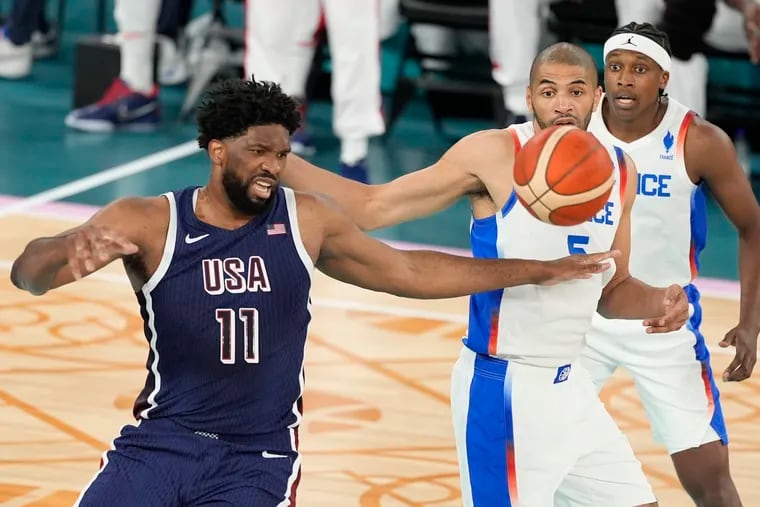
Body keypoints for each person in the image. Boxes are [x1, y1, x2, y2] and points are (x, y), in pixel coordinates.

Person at [10, 77, 619, 506]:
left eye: (281, 153)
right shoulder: (151, 221)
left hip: (258, 459)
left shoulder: (305, 220)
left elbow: (408, 273)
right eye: (258, 153)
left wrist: (532, 270)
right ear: (217, 148)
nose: (271, 166)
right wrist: (62, 253)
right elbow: (29, 275)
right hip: (159, 440)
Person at [277, 43, 692, 506]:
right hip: (505, 388)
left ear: (597, 97)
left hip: (572, 385)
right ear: (530, 97)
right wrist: (275, 154)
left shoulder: (619, 171)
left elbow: (611, 289)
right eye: (549, 91)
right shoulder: (492, 153)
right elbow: (372, 208)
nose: (562, 104)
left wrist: (661, 302)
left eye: (575, 92)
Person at [583, 22, 760, 507]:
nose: (624, 78)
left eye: (640, 69)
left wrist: (750, 322)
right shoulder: (575, 124)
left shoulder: (699, 140)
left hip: (663, 321)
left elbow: (753, 227)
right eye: (615, 67)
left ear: (664, 78)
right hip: (581, 316)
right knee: (538, 445)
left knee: (709, 480)